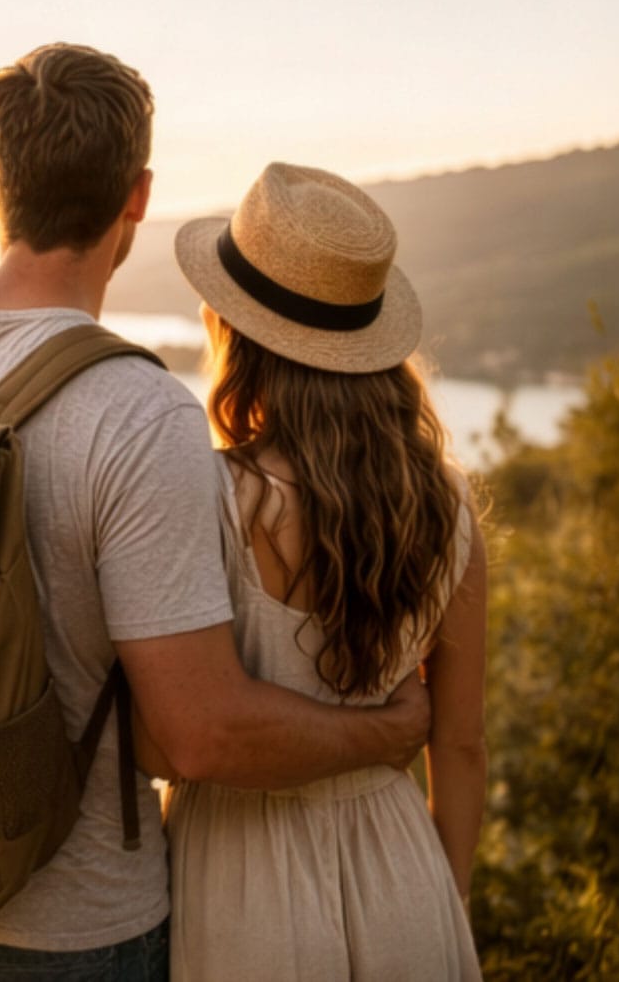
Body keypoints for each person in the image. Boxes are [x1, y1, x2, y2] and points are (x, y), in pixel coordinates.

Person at [0, 45, 433, 981]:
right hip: (75, 931)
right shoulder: (140, 415)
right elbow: (200, 732)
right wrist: (386, 733)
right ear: (137, 199)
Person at [154, 162, 488, 980]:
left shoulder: (212, 497)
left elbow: (160, 741)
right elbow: (464, 743)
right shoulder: (445, 505)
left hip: (237, 887)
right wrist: (442, 898)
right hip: (401, 869)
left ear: (232, 330)